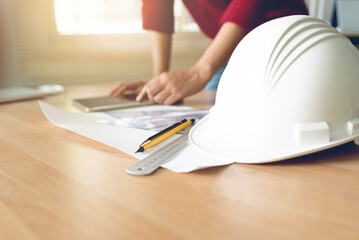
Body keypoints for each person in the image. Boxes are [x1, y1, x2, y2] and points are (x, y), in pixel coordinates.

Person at [110, 0, 308, 105]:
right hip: (227, 51)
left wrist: (199, 72)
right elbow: (157, 7)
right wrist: (157, 83)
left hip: (281, 41)